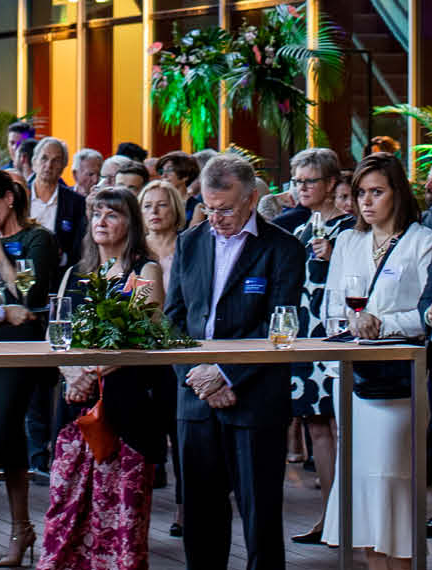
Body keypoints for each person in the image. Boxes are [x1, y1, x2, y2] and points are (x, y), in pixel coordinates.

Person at [162, 154, 305, 570]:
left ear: (251, 199)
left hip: (255, 398)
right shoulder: (190, 242)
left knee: (260, 515)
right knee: (201, 515)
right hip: (195, 399)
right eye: (208, 207)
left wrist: (225, 373)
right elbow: (174, 319)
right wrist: (195, 376)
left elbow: (281, 325)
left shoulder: (283, 248)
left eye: (225, 208)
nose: (216, 217)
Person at [38, 185, 169, 570]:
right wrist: (71, 372)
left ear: (130, 223)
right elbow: (54, 333)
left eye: (112, 214)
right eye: (96, 214)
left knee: (120, 511)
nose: (101, 221)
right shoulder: (74, 274)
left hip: (123, 406)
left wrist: (91, 370)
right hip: (75, 405)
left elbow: (136, 332)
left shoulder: (142, 270)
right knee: (67, 506)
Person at [320, 153, 432, 570]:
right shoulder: (348, 241)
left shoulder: (423, 240)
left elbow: (429, 311)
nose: (366, 202)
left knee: (391, 479)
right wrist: (350, 322)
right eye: (360, 194)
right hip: (351, 373)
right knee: (361, 489)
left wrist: (382, 323)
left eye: (376, 192)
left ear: (397, 194)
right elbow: (332, 305)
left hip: (399, 377)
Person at [0, 168, 62, 567]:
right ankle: (19, 529)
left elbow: (28, 296)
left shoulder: (36, 238)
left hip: (20, 348)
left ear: (9, 198)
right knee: (6, 440)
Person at [274, 147, 352, 542]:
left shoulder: (352, 229)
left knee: (347, 427)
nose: (301, 188)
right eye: (297, 181)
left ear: (332, 184)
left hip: (337, 335)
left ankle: (355, 517)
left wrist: (337, 255)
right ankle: (330, 516)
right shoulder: (299, 229)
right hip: (303, 335)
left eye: (310, 181)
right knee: (315, 426)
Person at [28, 137, 88, 262]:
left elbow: (79, 248)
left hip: (59, 273)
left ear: (63, 167)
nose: (49, 165)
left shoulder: (77, 203)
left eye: (56, 160)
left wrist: (62, 257)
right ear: (34, 163)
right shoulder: (19, 196)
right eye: (44, 158)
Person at [138, 180, 184, 301]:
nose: (154, 211)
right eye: (147, 206)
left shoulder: (189, 246)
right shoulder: (133, 248)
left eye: (162, 204)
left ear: (175, 208)